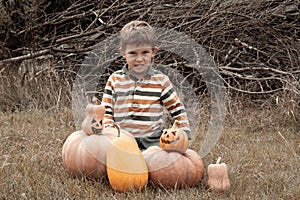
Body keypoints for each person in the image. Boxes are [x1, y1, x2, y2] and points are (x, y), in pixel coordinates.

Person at [101, 20, 191, 150]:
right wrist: (110, 131)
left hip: (152, 142)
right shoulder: (115, 80)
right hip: (121, 139)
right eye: (133, 53)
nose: (139, 59)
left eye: (145, 53)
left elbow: (177, 109)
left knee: (159, 161)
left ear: (153, 52)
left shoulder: (160, 81)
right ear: (123, 53)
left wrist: (184, 134)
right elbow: (106, 111)